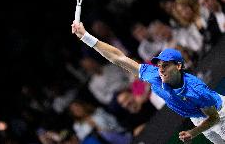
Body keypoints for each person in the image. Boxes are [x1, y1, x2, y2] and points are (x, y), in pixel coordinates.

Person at [71, 21, 225, 143]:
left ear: (178, 66)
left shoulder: (194, 88)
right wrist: (86, 37)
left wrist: (192, 132)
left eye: (165, 65)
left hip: (219, 114)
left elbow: (214, 118)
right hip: (198, 118)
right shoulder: (154, 75)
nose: (160, 69)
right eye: (158, 65)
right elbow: (118, 57)